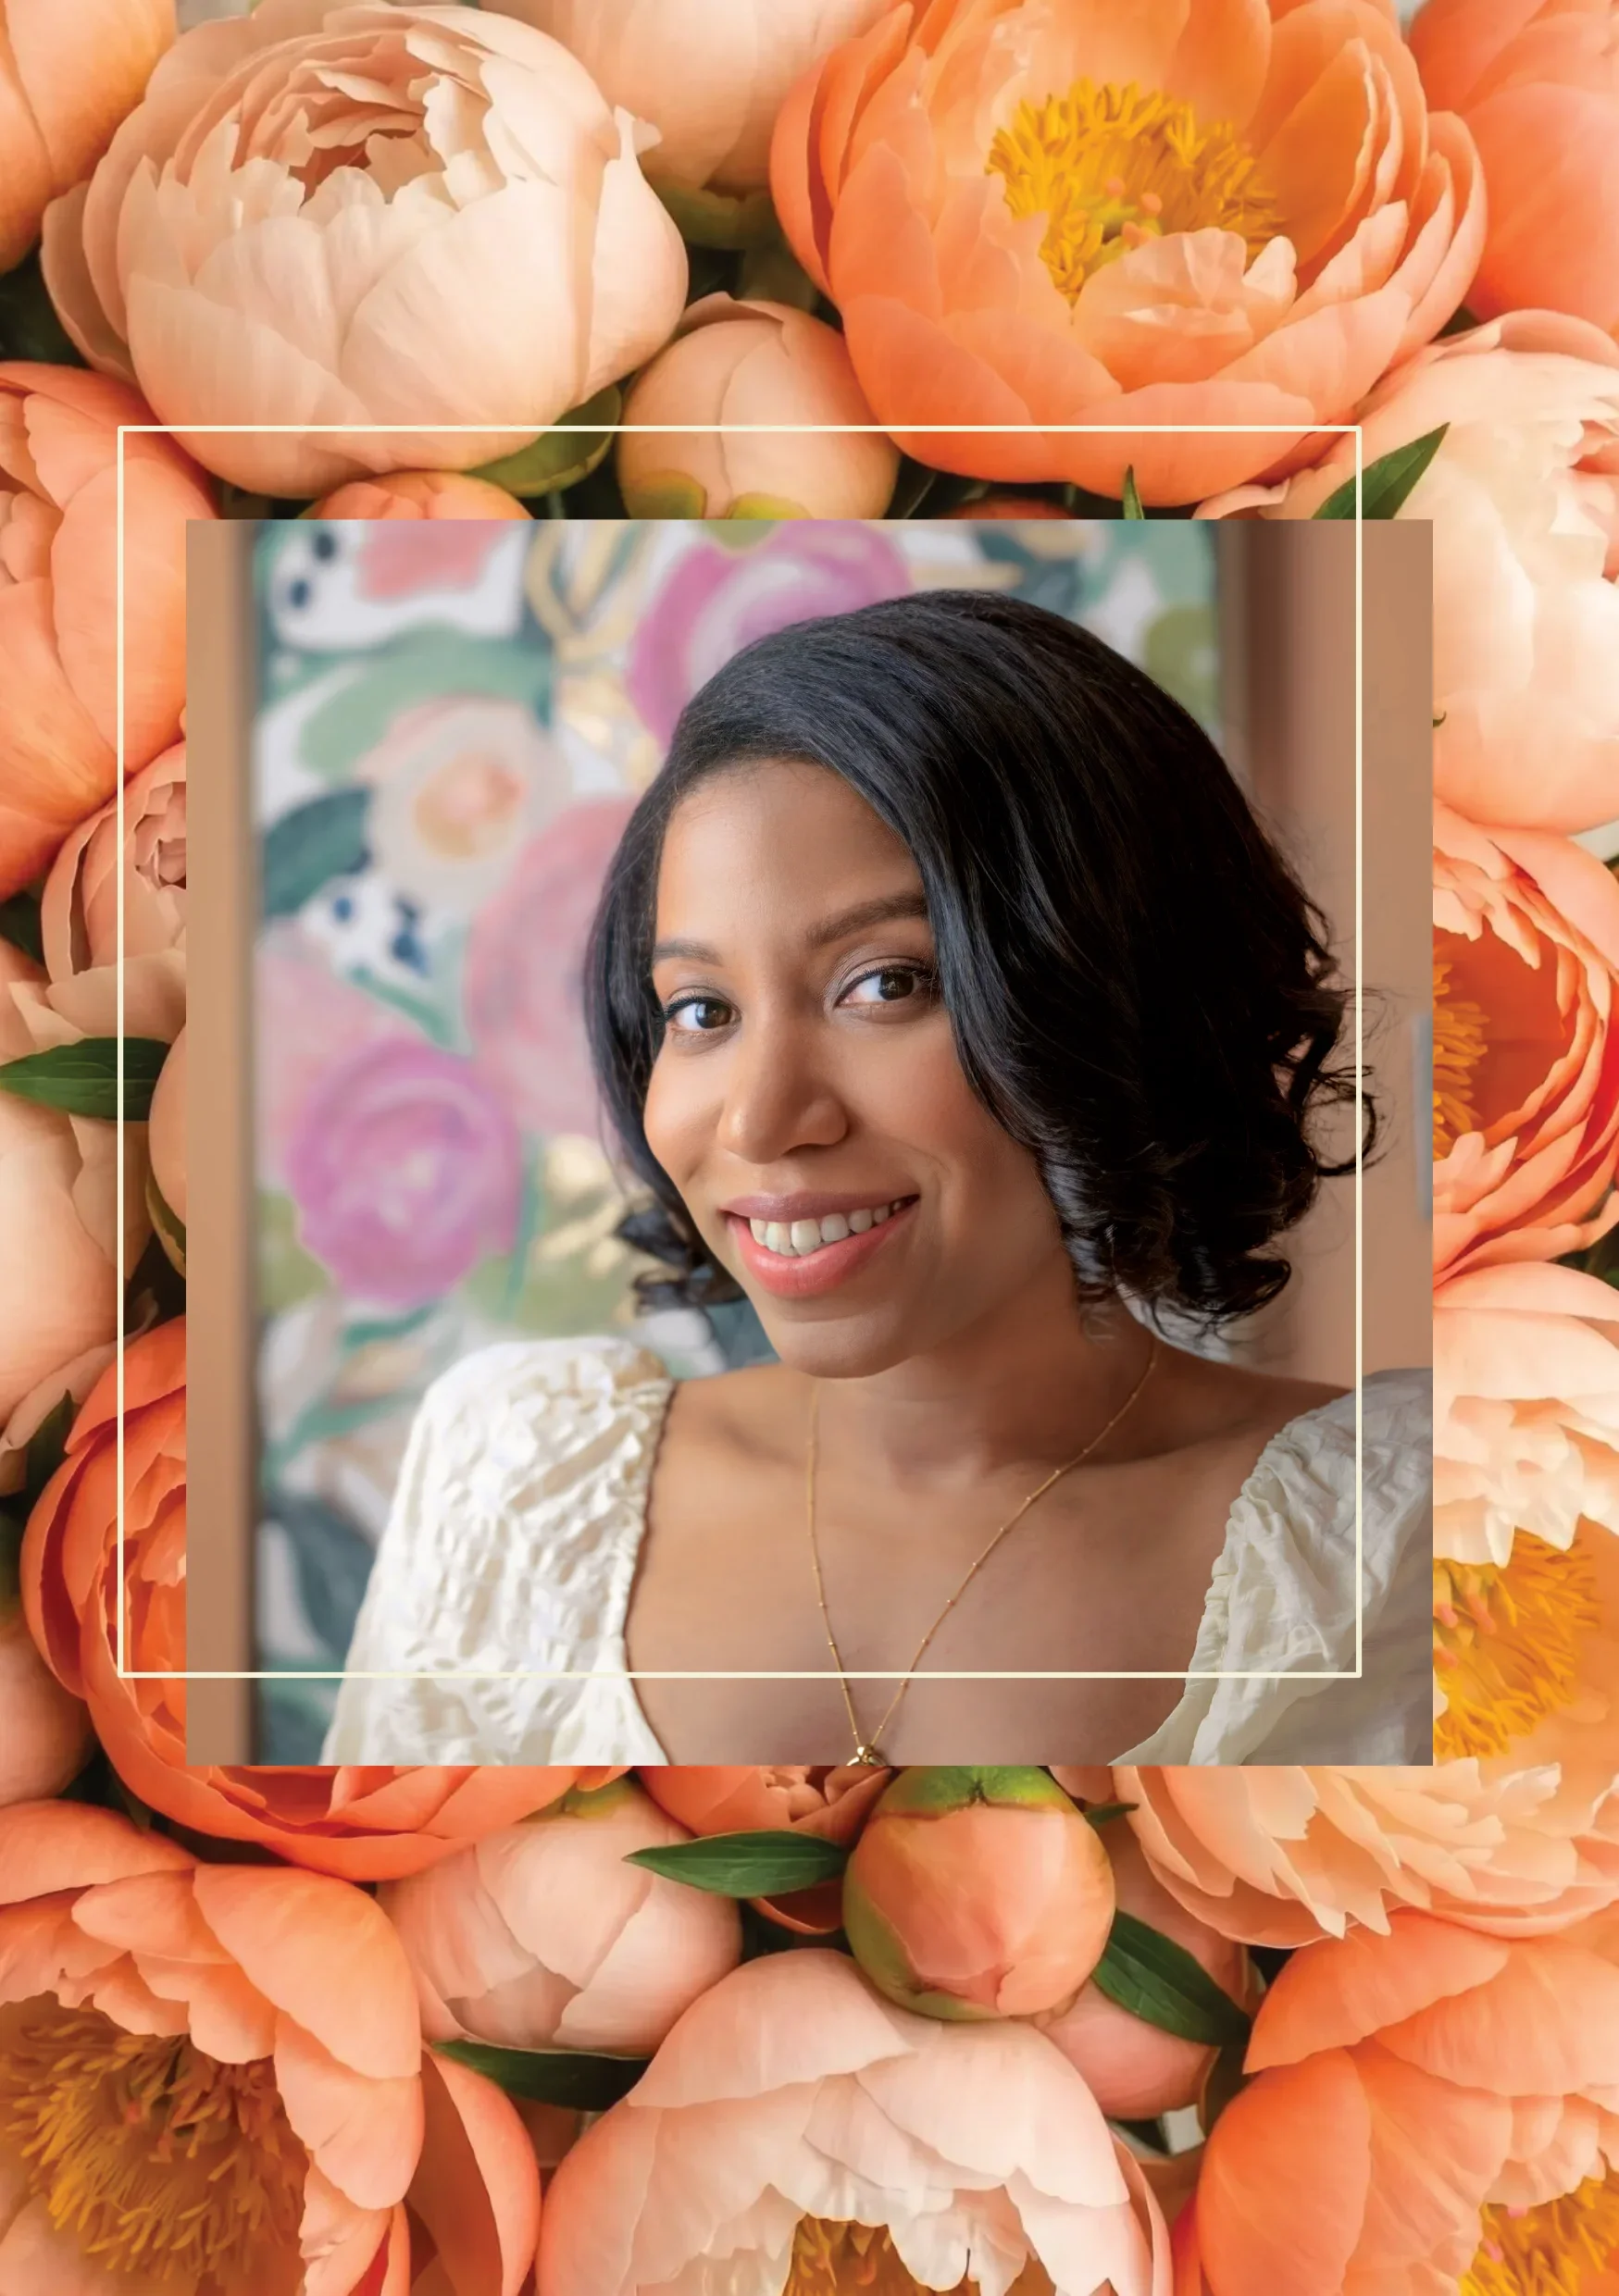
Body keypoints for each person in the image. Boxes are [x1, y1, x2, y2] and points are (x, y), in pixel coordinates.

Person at [323, 590, 1430, 1767]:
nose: (760, 1118)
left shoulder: (1394, 1530)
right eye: (700, 1010)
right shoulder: (514, 1481)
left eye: (885, 985)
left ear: (1112, 996)